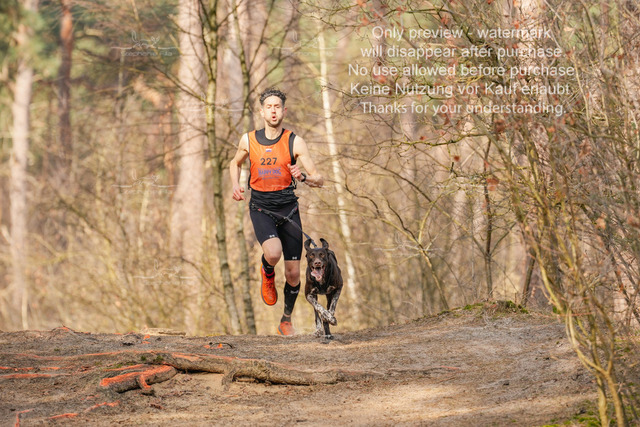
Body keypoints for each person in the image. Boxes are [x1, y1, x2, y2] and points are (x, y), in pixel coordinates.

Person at [229, 88, 324, 335]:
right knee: (272, 253)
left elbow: (319, 179)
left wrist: (303, 177)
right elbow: (234, 163)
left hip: (289, 209)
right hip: (261, 207)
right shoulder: (248, 140)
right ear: (262, 112)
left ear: (284, 111)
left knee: (293, 274)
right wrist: (235, 185)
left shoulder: (295, 141)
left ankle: (286, 320)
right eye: (269, 107)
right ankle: (267, 271)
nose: (273, 111)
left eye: (277, 107)